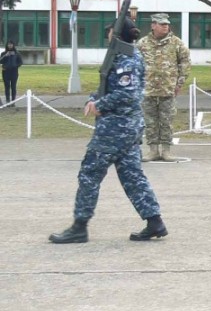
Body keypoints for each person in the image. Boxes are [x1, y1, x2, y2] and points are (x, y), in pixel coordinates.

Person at [49, 18, 167, 244]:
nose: (108, 35)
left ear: (118, 34)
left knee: (89, 174)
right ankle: (155, 222)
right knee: (132, 176)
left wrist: (99, 105)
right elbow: (108, 87)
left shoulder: (127, 60)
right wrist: (92, 99)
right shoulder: (121, 58)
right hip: (127, 129)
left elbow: (127, 94)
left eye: (111, 31)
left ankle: (79, 227)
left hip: (115, 130)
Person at [137, 13, 191, 162]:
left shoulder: (176, 43)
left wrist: (179, 83)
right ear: (153, 25)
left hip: (168, 89)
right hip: (148, 90)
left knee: (166, 121)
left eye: (167, 24)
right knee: (150, 122)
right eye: (162, 24)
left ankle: (166, 151)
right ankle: (153, 150)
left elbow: (185, 63)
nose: (165, 26)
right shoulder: (142, 43)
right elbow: (135, 65)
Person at [0, 41, 23, 106]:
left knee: (13, 87)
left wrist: (15, 66)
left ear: (13, 45)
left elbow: (20, 62)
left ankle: (13, 102)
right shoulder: (3, 53)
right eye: (8, 45)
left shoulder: (17, 53)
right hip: (5, 72)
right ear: (7, 45)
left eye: (11, 44)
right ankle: (8, 101)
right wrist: (5, 55)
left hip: (14, 72)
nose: (10, 46)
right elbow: (0, 61)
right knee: (7, 87)